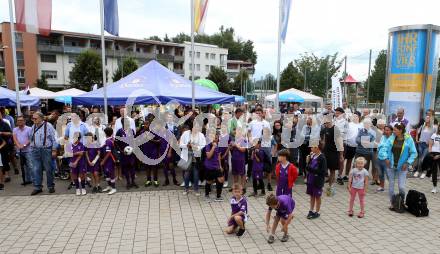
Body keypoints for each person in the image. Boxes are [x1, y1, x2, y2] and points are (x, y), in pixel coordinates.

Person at [386, 123, 417, 210]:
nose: (393, 131)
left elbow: (414, 153)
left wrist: (407, 163)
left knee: (401, 187)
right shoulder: (391, 138)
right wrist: (386, 158)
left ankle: (401, 202)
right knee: (391, 187)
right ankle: (393, 203)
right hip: (391, 166)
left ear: (400, 130)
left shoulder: (408, 139)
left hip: (402, 167)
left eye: (395, 130)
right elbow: (384, 149)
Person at [29, 112, 58, 195]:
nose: (33, 120)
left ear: (41, 118)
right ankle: (38, 187)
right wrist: (32, 147)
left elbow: (54, 138)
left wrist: (54, 150)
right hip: (35, 150)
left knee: (49, 169)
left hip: (46, 150)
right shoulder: (33, 127)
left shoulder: (48, 125)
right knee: (36, 169)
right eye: (32, 118)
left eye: (35, 118)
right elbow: (31, 138)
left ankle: (50, 186)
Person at [321, 116, 344, 196]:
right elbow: (324, 140)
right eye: (324, 123)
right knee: (323, 169)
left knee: (332, 171)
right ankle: (321, 187)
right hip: (326, 152)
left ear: (330, 121)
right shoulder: (325, 129)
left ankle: (331, 188)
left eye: (326, 123)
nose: (325, 124)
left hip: (334, 153)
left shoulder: (336, 129)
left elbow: (340, 142)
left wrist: (341, 155)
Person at [180, 123, 205, 196]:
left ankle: (196, 189)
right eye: (195, 127)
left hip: (196, 156)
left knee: (196, 173)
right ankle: (186, 189)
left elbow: (203, 144)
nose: (196, 129)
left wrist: (196, 147)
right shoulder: (185, 133)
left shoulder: (201, 135)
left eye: (198, 127)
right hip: (187, 155)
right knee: (187, 173)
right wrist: (186, 145)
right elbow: (180, 144)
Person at [305, 141, 326, 219]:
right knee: (311, 195)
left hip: (317, 181)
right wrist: (308, 162)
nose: (311, 148)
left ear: (317, 148)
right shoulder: (312, 156)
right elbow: (308, 168)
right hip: (311, 179)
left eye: (312, 147)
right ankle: (311, 210)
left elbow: (323, 172)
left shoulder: (322, 158)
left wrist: (310, 167)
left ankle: (317, 212)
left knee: (317, 196)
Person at [115, 118, 138, 189]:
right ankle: (128, 182)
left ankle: (133, 182)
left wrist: (133, 149)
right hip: (123, 154)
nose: (128, 123)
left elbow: (135, 141)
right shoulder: (119, 132)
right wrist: (121, 151)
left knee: (132, 167)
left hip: (131, 153)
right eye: (127, 122)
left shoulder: (132, 131)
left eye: (128, 122)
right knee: (126, 168)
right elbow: (116, 143)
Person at [204, 130, 224, 201]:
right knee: (209, 181)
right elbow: (208, 156)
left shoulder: (218, 145)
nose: (215, 139)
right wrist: (213, 147)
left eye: (216, 138)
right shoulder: (208, 145)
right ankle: (206, 195)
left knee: (221, 179)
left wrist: (220, 165)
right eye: (214, 138)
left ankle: (218, 196)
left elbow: (218, 156)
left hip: (216, 166)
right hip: (209, 167)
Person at [13, 116, 33, 186]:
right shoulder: (15, 129)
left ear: (24, 121)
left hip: (28, 150)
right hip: (20, 150)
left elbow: (30, 139)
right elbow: (14, 138)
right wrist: (18, 145)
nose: (20, 122)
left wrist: (24, 145)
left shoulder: (29, 129)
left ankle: (34, 179)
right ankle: (27, 180)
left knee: (30, 165)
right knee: (23, 166)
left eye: (21, 120)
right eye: (18, 121)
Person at [354, 118, 376, 184]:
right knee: (356, 165)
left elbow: (372, 142)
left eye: (368, 123)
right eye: (365, 123)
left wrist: (362, 141)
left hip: (368, 152)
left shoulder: (373, 132)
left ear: (370, 124)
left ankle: (363, 180)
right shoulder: (360, 130)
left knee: (365, 167)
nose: (366, 125)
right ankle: (356, 179)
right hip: (359, 151)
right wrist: (365, 141)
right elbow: (356, 140)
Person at [343, 112, 362, 182]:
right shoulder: (348, 124)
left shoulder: (361, 125)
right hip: (348, 145)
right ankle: (343, 175)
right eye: (354, 116)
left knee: (353, 162)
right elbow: (344, 133)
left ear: (359, 117)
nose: (355, 117)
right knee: (345, 160)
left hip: (356, 146)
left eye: (356, 116)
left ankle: (350, 175)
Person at [230, 127, 248, 194]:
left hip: (241, 159)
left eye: (238, 131)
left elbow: (243, 150)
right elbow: (231, 149)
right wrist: (231, 146)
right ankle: (235, 187)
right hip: (234, 158)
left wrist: (236, 145)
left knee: (242, 174)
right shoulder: (234, 139)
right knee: (235, 174)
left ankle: (243, 188)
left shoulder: (244, 140)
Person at [376, 125, 393, 192]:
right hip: (379, 158)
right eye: (385, 130)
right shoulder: (383, 137)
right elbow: (379, 146)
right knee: (380, 174)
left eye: (388, 130)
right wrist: (377, 154)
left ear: (391, 131)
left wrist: (388, 159)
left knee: (388, 174)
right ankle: (381, 186)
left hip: (387, 160)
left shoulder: (393, 139)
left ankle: (391, 188)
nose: (386, 131)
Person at [101, 127, 117, 195]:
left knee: (111, 173)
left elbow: (108, 152)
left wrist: (103, 161)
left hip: (109, 160)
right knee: (107, 174)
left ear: (105, 133)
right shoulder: (109, 139)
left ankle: (113, 188)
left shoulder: (108, 141)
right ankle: (109, 186)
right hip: (107, 160)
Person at [427, 127, 440, 193]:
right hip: (433, 154)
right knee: (434, 172)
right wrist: (430, 153)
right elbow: (430, 144)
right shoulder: (434, 135)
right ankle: (434, 187)